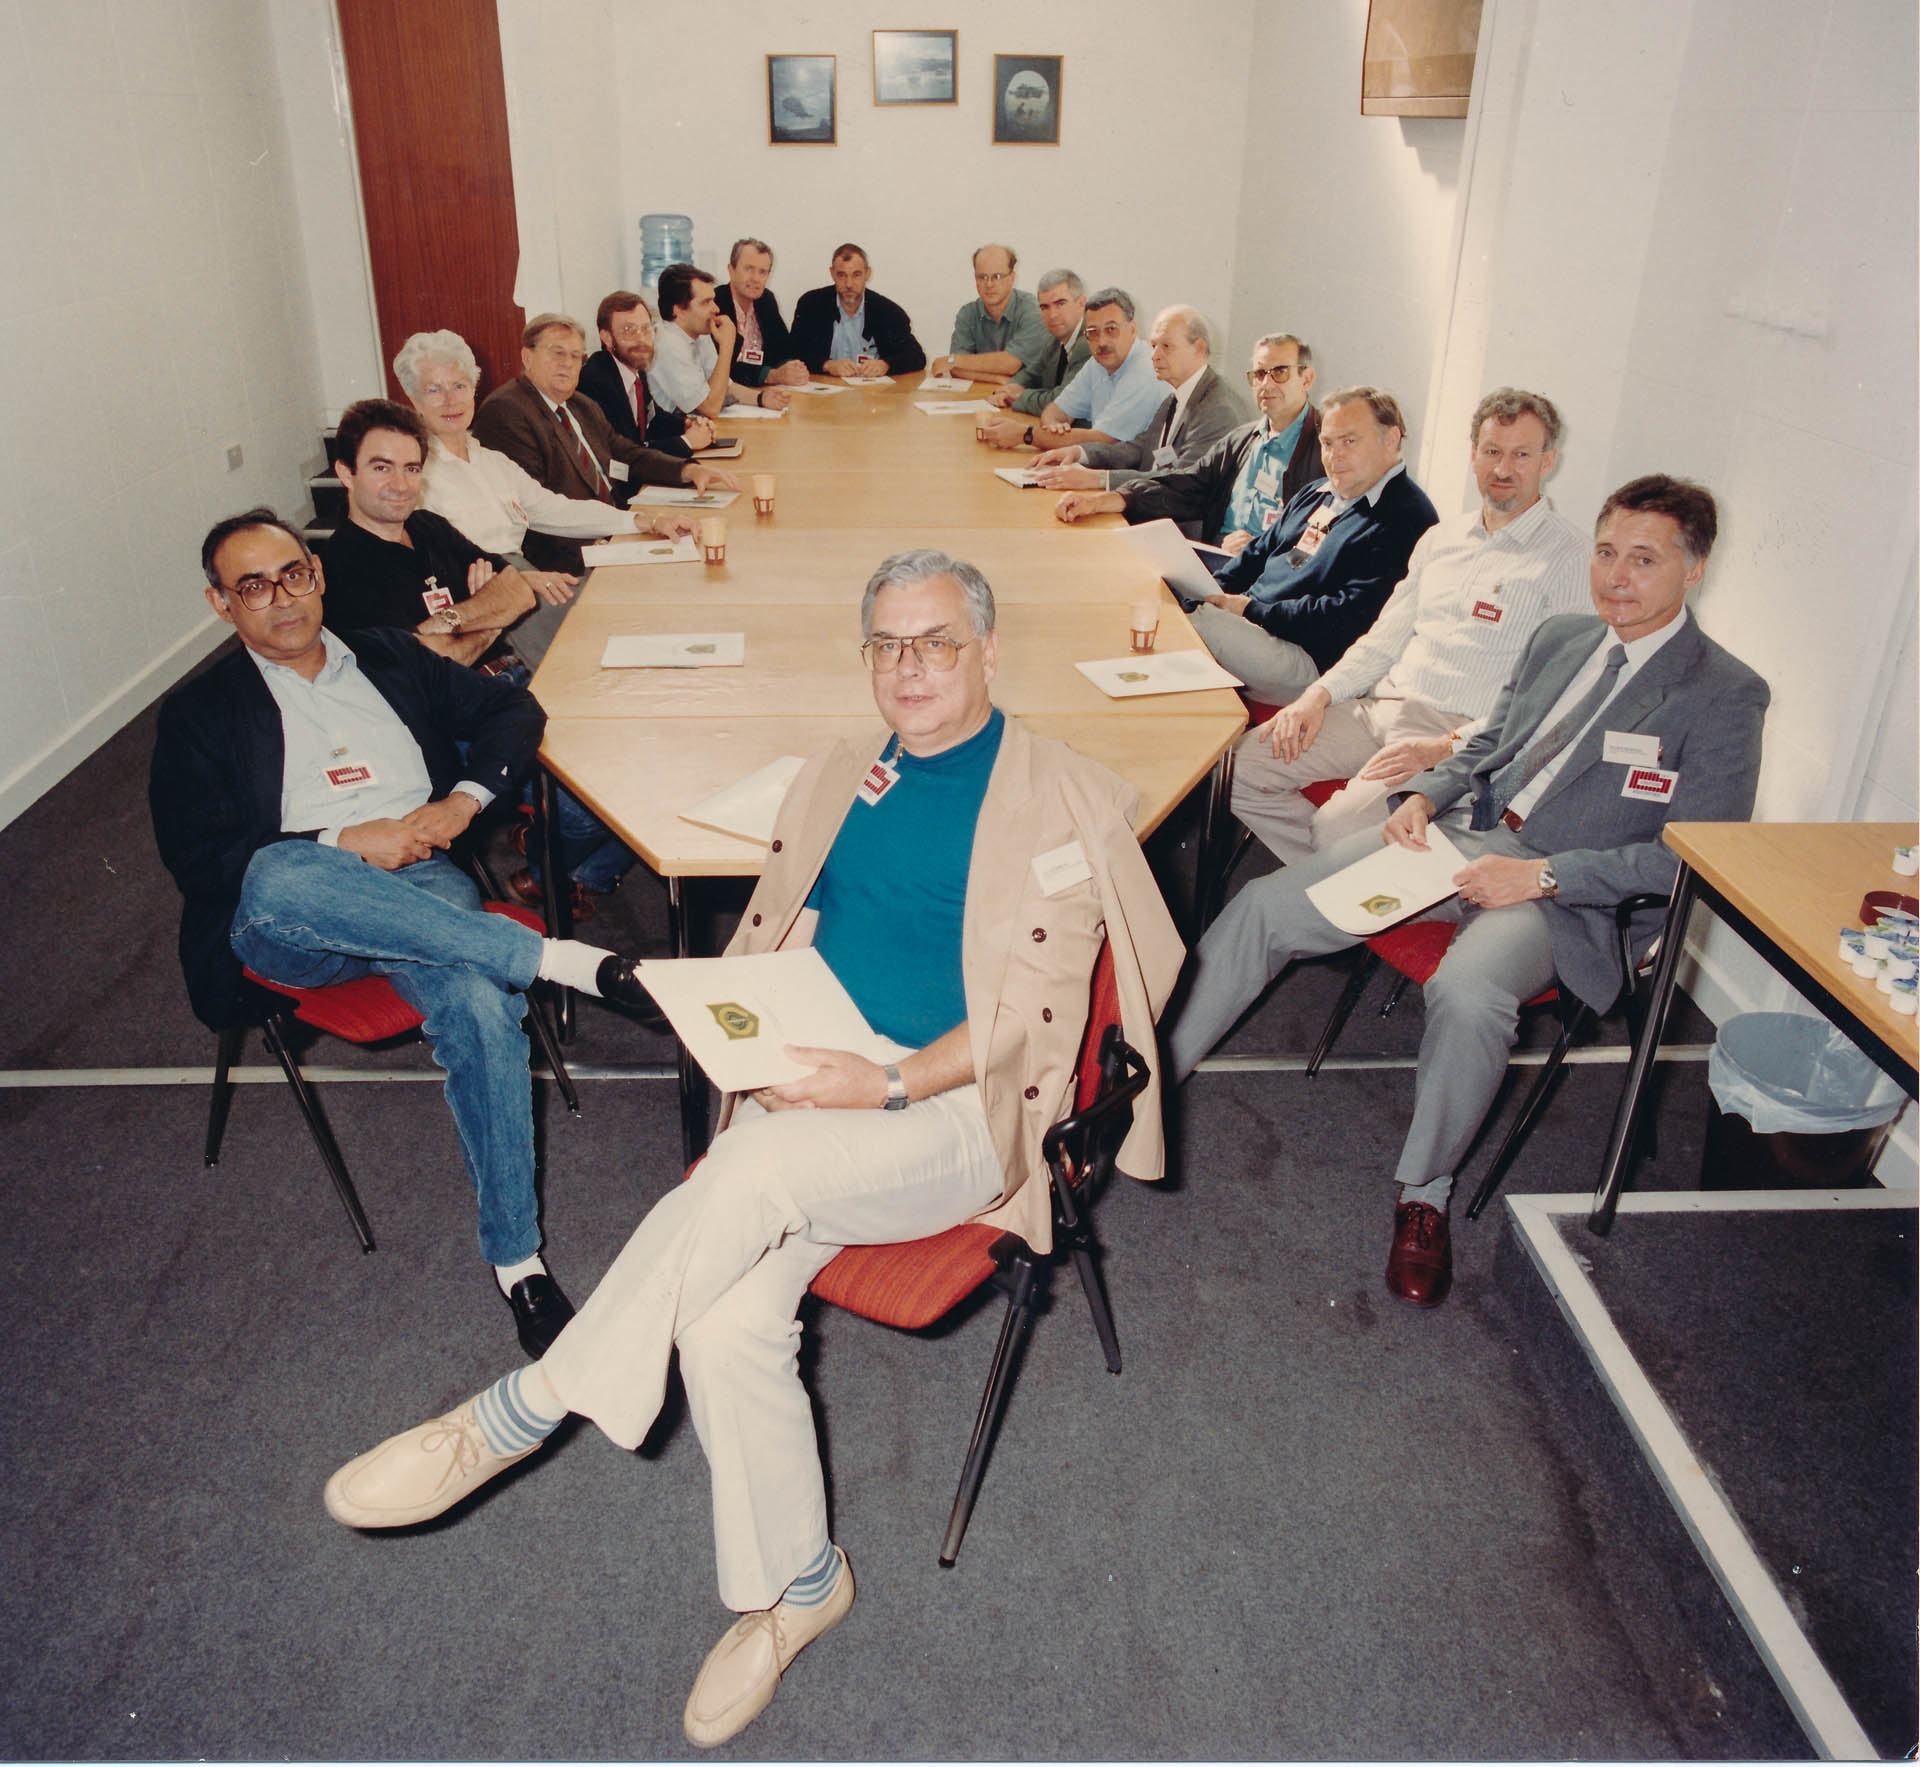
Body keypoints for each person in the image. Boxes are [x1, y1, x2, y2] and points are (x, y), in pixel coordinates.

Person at [319, 548, 1185, 1749]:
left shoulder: (1060, 798)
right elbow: (800, 915)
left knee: (755, 1171)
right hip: (819, 1067)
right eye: (885, 644)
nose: (909, 667)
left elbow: (1024, 1022)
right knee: (727, 1326)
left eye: (937, 642)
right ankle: (800, 1591)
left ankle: (528, 1406)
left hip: (952, 1116)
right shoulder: (846, 768)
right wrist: (757, 1017)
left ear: (988, 651)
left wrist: (873, 1078)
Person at [1164, 475, 1769, 1308]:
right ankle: (1152, 1087)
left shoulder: (1725, 693)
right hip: (1466, 837)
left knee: (1469, 988)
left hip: (1567, 892)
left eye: (1643, 559)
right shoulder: (1562, 636)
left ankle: (1425, 1195)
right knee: (1264, 906)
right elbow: (1489, 742)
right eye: (1605, 552)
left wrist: (1542, 874)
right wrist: (1426, 795)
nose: (1616, 577)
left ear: (1693, 569)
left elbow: (1693, 858)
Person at [150, 510, 659, 1354]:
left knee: (477, 1000)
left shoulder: (385, 654)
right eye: (252, 586)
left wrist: (461, 802)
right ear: (220, 604)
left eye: (293, 574)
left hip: (420, 885)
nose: (281, 599)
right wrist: (349, 842)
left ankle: (518, 1262)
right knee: (278, 870)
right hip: (295, 913)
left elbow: (511, 712)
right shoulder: (200, 712)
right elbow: (202, 860)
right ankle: (556, 960)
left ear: (317, 572)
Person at [1233, 388, 1591, 860]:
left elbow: (1549, 699)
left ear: (1548, 461)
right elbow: (1381, 642)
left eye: (1521, 454)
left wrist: (1442, 748)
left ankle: (1333, 876)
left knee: (1336, 832)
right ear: (1473, 455)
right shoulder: (1441, 539)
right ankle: (1334, 886)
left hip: (1451, 733)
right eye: (1492, 452)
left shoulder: (1571, 558)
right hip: (1377, 708)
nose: (1503, 469)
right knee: (1239, 768)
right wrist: (1315, 698)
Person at [318, 399, 634, 920]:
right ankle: (547, 866)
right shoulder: (342, 571)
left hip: (514, 677)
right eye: (381, 467)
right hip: (449, 720)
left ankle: (563, 866)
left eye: (411, 468)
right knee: (593, 801)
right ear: (345, 473)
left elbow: (516, 592)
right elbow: (426, 665)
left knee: (642, 735)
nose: (400, 483)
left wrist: (455, 625)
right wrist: (483, 617)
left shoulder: (428, 526)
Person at [395, 328, 695, 670]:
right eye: (434, 390)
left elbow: (555, 509)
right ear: (413, 399)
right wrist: (516, 580)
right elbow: (437, 562)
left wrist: (645, 521)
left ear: (474, 391)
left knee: (630, 596)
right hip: (484, 600)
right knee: (605, 638)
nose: (451, 400)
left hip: (525, 582)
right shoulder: (413, 474)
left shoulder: (490, 461)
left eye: (459, 386)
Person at [1179, 385, 1438, 703]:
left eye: (1349, 441)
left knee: (1190, 623)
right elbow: (1257, 554)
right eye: (1327, 443)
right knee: (1171, 595)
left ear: (1391, 439)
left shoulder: (1405, 518)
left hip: (1311, 661)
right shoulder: (1318, 493)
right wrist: (1211, 589)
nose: (1334, 455)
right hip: (1252, 626)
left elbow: (1347, 617)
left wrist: (1251, 610)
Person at [471, 312, 737, 574]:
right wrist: (601, 548)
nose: (567, 363)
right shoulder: (507, 411)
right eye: (557, 353)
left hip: (619, 527)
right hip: (574, 555)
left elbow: (627, 454)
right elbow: (538, 511)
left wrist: (688, 470)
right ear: (527, 357)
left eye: (576, 355)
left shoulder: (580, 405)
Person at [1053, 332, 1322, 545]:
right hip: (1217, 562)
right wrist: (1098, 501)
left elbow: (1321, 539)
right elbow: (1186, 484)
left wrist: (1259, 550)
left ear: (1307, 378)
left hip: (1266, 581)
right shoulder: (1242, 440)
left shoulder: (1326, 449)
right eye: (1260, 374)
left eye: (1280, 372)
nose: (1267, 384)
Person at [1027, 305, 1249, 489]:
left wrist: (1099, 479)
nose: (1155, 356)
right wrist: (1079, 453)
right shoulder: (1176, 395)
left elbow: (1181, 480)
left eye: (1166, 346)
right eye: (1153, 345)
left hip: (1182, 529)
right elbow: (1138, 449)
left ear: (1199, 348)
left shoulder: (1218, 409)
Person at [981, 287, 1162, 452]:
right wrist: (1053, 428)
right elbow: (1055, 410)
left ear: (1132, 330)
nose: (1102, 342)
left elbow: (1103, 440)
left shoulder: (1144, 369)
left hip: (1137, 479)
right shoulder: (1097, 363)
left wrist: (1025, 435)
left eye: (1111, 329)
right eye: (1093, 332)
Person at [647, 262, 791, 424]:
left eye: (713, 301)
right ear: (679, 310)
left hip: (692, 426)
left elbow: (723, 385)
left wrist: (761, 398)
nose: (716, 308)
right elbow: (710, 407)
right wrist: (727, 345)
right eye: (706, 302)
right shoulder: (666, 344)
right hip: (668, 436)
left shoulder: (699, 332)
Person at [577, 291, 714, 458]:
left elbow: (652, 420)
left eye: (645, 328)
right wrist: (687, 441)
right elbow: (626, 453)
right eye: (629, 330)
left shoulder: (634, 366)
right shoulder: (596, 380)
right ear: (607, 338)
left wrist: (688, 424)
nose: (641, 338)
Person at [789, 243, 927, 377]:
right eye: (842, 275)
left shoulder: (887, 311)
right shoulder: (811, 305)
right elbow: (792, 353)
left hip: (873, 395)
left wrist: (886, 364)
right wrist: (827, 365)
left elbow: (917, 357)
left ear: (867, 274)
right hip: (823, 390)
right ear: (832, 274)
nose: (849, 284)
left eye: (856, 275)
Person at [929, 243, 1051, 384]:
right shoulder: (967, 314)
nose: (989, 284)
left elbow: (1011, 364)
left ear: (1012, 278)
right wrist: (998, 379)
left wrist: (954, 360)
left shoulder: (1032, 309)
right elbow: (956, 370)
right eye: (982, 277)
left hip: (1030, 399)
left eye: (997, 276)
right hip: (985, 394)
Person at [984, 268, 1090, 422]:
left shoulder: (1090, 342)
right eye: (1044, 307)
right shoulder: (1054, 338)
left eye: (1060, 304)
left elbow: (1061, 402)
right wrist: (1009, 389)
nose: (1052, 315)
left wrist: (1018, 396)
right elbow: (1032, 373)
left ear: (1081, 303)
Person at [711, 237, 810, 389]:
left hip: (762, 392)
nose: (756, 279)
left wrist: (793, 368)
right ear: (731, 270)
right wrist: (770, 375)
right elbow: (717, 367)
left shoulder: (766, 300)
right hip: (725, 394)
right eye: (749, 269)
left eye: (762, 272)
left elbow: (784, 349)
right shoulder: (714, 304)